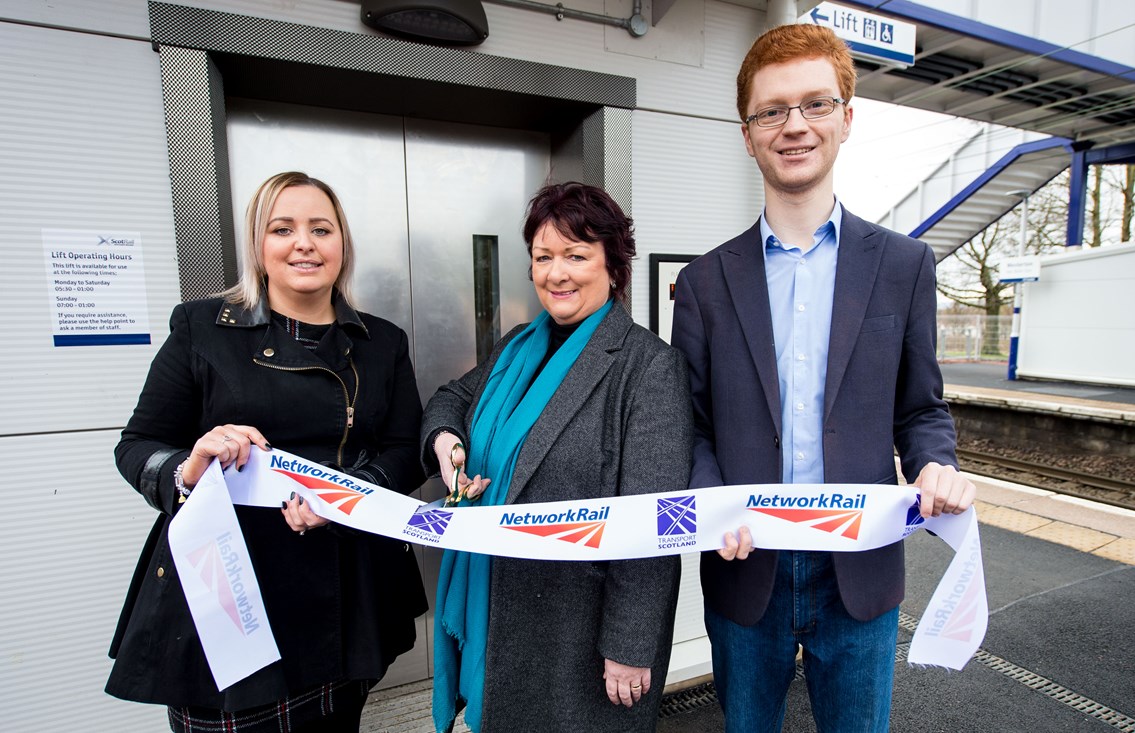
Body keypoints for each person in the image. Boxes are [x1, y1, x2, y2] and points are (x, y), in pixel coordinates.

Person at [670, 24, 977, 733]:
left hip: (860, 568)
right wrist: (712, 501)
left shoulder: (904, 266)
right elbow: (692, 425)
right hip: (747, 571)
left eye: (814, 103)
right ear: (746, 134)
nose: (793, 125)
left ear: (846, 117)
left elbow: (919, 410)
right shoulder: (704, 282)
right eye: (770, 110)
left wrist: (936, 464)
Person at [107, 171, 429, 732]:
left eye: (321, 228)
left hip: (344, 581)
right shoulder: (201, 329)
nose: (304, 242)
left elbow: (404, 449)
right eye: (283, 228)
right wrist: (188, 468)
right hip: (228, 586)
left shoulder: (382, 343)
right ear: (259, 245)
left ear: (342, 245)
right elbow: (137, 446)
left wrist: (345, 495)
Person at [421, 182, 692, 732]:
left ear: (613, 265)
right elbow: (452, 397)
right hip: (501, 607)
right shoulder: (518, 345)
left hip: (580, 633)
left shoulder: (648, 368)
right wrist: (448, 446)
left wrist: (630, 641)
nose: (556, 272)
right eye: (543, 257)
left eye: (576, 254)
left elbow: (655, 521)